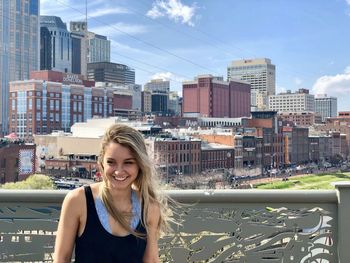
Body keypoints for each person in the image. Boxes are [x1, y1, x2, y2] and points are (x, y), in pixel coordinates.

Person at [54, 124, 172, 263]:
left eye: (128, 163)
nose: (119, 171)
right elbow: (61, 259)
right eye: (111, 162)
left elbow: (151, 260)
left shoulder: (149, 207)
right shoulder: (78, 201)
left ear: (139, 165)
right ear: (102, 163)